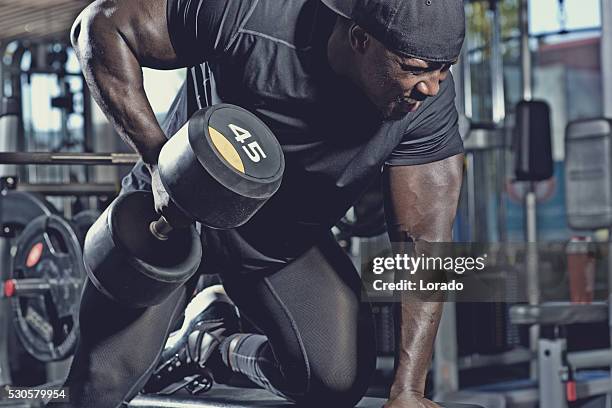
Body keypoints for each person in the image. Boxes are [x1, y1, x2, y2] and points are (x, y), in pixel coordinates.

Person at [57, 0, 466, 407]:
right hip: (174, 216)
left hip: (279, 241)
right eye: (414, 68)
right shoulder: (250, 13)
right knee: (94, 389)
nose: (431, 86)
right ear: (359, 38)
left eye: (443, 68)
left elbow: (424, 245)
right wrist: (158, 162)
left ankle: (213, 346)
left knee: (336, 382)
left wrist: (408, 390)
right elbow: (99, 27)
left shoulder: (425, 110)